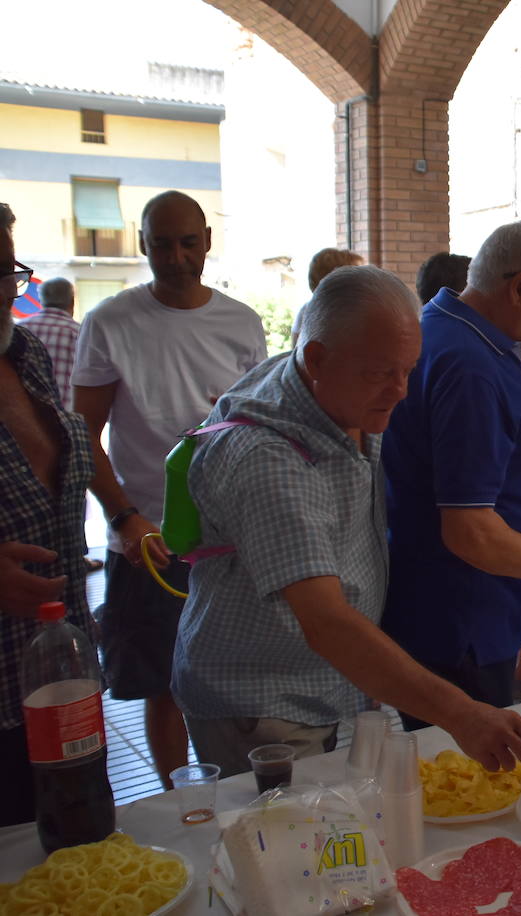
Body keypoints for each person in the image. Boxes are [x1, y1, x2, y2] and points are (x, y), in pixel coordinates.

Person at [172, 266, 521, 776]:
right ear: (317, 359)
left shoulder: (334, 388)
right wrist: (462, 713)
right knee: (286, 841)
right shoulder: (269, 458)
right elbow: (327, 623)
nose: (399, 390)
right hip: (261, 703)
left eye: (408, 370)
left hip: (318, 688)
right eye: (379, 373)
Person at [71, 190, 267, 789]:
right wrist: (126, 518)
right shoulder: (110, 322)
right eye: (162, 244)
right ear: (143, 244)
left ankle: (243, 792)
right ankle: (181, 804)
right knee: (162, 685)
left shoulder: (241, 322)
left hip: (230, 538)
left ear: (207, 240)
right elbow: (84, 435)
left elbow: (259, 425)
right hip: (150, 539)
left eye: (188, 243)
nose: (177, 258)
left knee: (241, 675)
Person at [382, 219, 521, 717]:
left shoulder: (457, 333)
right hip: (464, 617)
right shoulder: (470, 364)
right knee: (474, 776)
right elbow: (470, 531)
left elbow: (479, 440)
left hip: (458, 610)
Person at [0, 202, 101, 827]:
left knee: (71, 852)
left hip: (57, 679)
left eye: (6, 265)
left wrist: (121, 516)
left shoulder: (25, 354)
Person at [17, 277, 80, 409]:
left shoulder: (19, 330)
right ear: (72, 302)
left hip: (23, 420)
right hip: (66, 422)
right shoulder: (81, 334)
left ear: (41, 301)